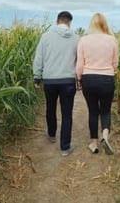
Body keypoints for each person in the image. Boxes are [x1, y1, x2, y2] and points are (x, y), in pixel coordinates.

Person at [33, 11, 79, 157]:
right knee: (67, 113)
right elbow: (79, 61)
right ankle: (65, 147)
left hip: (50, 80)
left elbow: (39, 58)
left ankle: (52, 135)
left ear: (57, 21)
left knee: (50, 108)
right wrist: (79, 79)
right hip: (68, 80)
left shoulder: (45, 37)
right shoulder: (76, 38)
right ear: (69, 22)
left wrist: (37, 77)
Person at [76, 13, 119, 155]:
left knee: (93, 111)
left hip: (89, 78)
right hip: (107, 79)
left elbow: (80, 63)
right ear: (104, 24)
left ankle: (94, 143)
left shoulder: (83, 40)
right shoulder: (112, 40)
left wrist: (79, 79)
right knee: (105, 110)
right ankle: (105, 137)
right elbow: (115, 63)